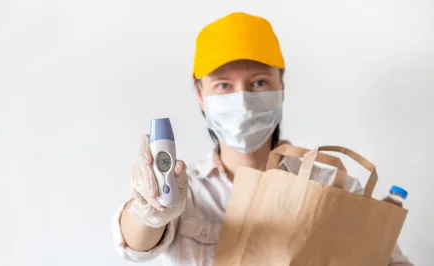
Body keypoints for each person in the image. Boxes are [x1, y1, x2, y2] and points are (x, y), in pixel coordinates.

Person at [110, 12, 414, 265]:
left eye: (259, 82)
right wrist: (148, 211)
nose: (242, 100)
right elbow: (134, 247)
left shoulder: (336, 188)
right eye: (224, 85)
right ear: (200, 94)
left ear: (280, 87)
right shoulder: (184, 190)